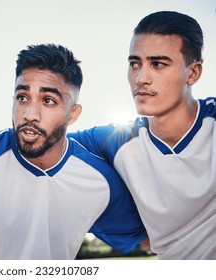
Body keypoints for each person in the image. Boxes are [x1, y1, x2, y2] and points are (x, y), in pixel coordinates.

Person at [0, 44, 147, 260]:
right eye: (22, 97)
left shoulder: (100, 180)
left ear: (73, 115)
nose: (29, 113)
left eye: (48, 100)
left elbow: (152, 238)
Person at [68, 11, 215, 259]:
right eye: (135, 64)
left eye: (158, 64)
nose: (141, 78)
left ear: (193, 73)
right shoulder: (116, 140)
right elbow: (34, 143)